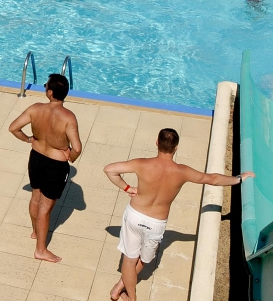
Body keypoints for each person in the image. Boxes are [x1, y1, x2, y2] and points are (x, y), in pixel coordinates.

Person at [103, 129, 254, 301]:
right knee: (144, 260)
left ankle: (123, 291)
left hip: (135, 215)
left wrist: (128, 188)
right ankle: (126, 295)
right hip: (156, 222)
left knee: (129, 260)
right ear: (176, 148)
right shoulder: (182, 171)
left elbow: (109, 170)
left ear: (157, 143)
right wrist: (239, 178)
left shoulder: (141, 163)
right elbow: (212, 179)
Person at [7, 73, 83, 262]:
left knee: (35, 197)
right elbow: (78, 148)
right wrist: (70, 156)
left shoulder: (35, 109)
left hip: (36, 158)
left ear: (49, 92)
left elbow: (13, 128)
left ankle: (35, 231)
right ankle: (41, 249)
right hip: (56, 165)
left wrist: (29, 139)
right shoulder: (68, 117)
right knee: (45, 208)